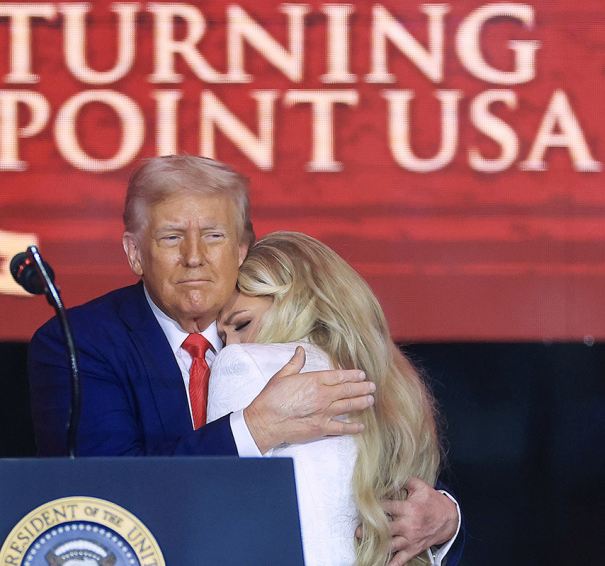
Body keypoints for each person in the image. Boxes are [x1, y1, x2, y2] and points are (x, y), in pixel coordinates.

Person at [28, 155, 461, 564]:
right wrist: (254, 428)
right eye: (172, 237)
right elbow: (100, 492)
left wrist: (444, 517)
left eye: (214, 235)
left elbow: (364, 454)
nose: (194, 256)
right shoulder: (79, 342)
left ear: (241, 247)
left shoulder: (279, 323)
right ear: (135, 253)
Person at [209, 231, 454, 566]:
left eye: (242, 324)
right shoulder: (397, 383)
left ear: (295, 304)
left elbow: (210, 514)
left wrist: (447, 518)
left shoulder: (243, 366)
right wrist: (449, 515)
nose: (231, 347)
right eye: (222, 338)